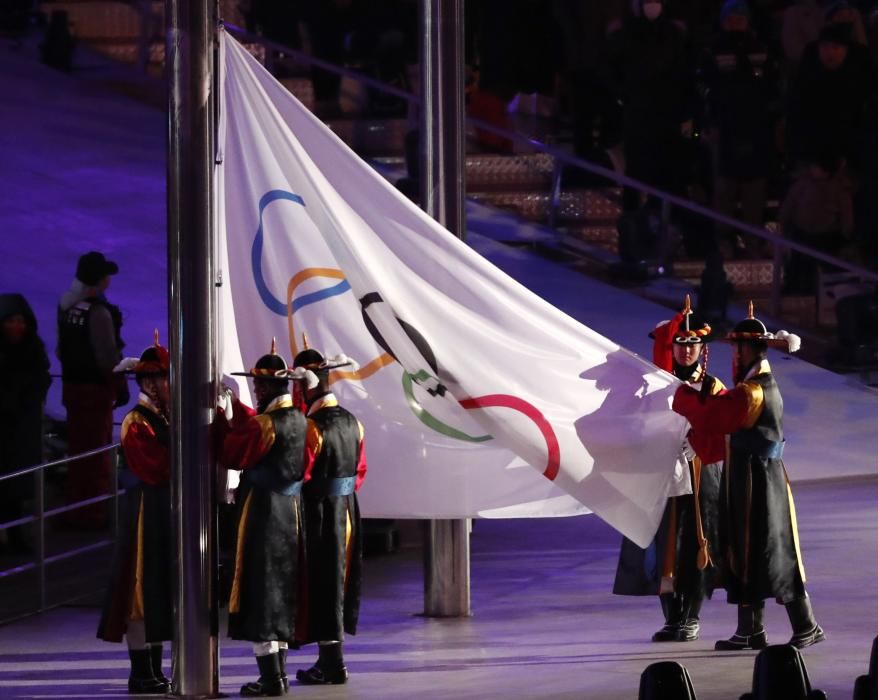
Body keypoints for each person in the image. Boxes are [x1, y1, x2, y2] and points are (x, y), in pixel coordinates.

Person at [672, 303, 825, 651]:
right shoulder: (751, 386)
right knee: (747, 550)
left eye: (737, 348)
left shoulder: (754, 390)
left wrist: (684, 398)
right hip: (751, 478)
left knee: (771, 550)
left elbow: (716, 418)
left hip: (759, 482)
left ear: (751, 350)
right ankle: (751, 630)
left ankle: (806, 625)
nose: (734, 355)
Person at [613, 296, 726, 642]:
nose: (687, 352)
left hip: (699, 473)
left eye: (693, 345)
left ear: (702, 348)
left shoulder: (713, 387)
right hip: (661, 473)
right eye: (680, 345)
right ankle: (671, 617)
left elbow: (724, 424)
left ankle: (691, 616)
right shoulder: (654, 386)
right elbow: (634, 424)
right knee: (664, 547)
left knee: (696, 542)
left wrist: (700, 440)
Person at [218, 340, 309, 697]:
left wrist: (221, 422)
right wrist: (236, 409)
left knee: (261, 587)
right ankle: (279, 674)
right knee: (282, 587)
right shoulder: (300, 418)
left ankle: (271, 678)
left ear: (271, 387)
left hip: (264, 512)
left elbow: (234, 453)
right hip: (291, 512)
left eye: (259, 385)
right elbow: (253, 429)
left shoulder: (266, 424)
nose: (256, 390)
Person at [285, 341, 367, 686]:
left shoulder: (313, 427)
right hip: (347, 510)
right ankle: (333, 659)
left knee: (323, 584)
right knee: (338, 582)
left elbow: (299, 473)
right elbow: (360, 471)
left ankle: (331, 663)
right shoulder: (353, 421)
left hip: (321, 512)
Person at [96, 333, 172, 694]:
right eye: (157, 378)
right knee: (139, 588)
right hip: (142, 511)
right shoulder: (136, 422)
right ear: (145, 382)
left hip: (159, 511)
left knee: (156, 588)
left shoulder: (163, 418)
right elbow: (156, 468)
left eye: (164, 377)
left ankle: (153, 668)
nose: (163, 384)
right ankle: (142, 670)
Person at [57, 251, 128, 529]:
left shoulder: (66, 305)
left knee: (78, 453)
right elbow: (107, 356)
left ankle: (77, 509)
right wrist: (120, 386)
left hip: (72, 388)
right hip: (95, 392)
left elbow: (61, 350)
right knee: (96, 454)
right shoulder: (98, 311)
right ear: (99, 278)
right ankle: (93, 514)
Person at [0, 294, 51, 555]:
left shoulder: (33, 349)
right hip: (6, 427)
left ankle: (16, 535)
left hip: (22, 428)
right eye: (10, 321)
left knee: (17, 487)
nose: (16, 326)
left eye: (20, 321)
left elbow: (42, 379)